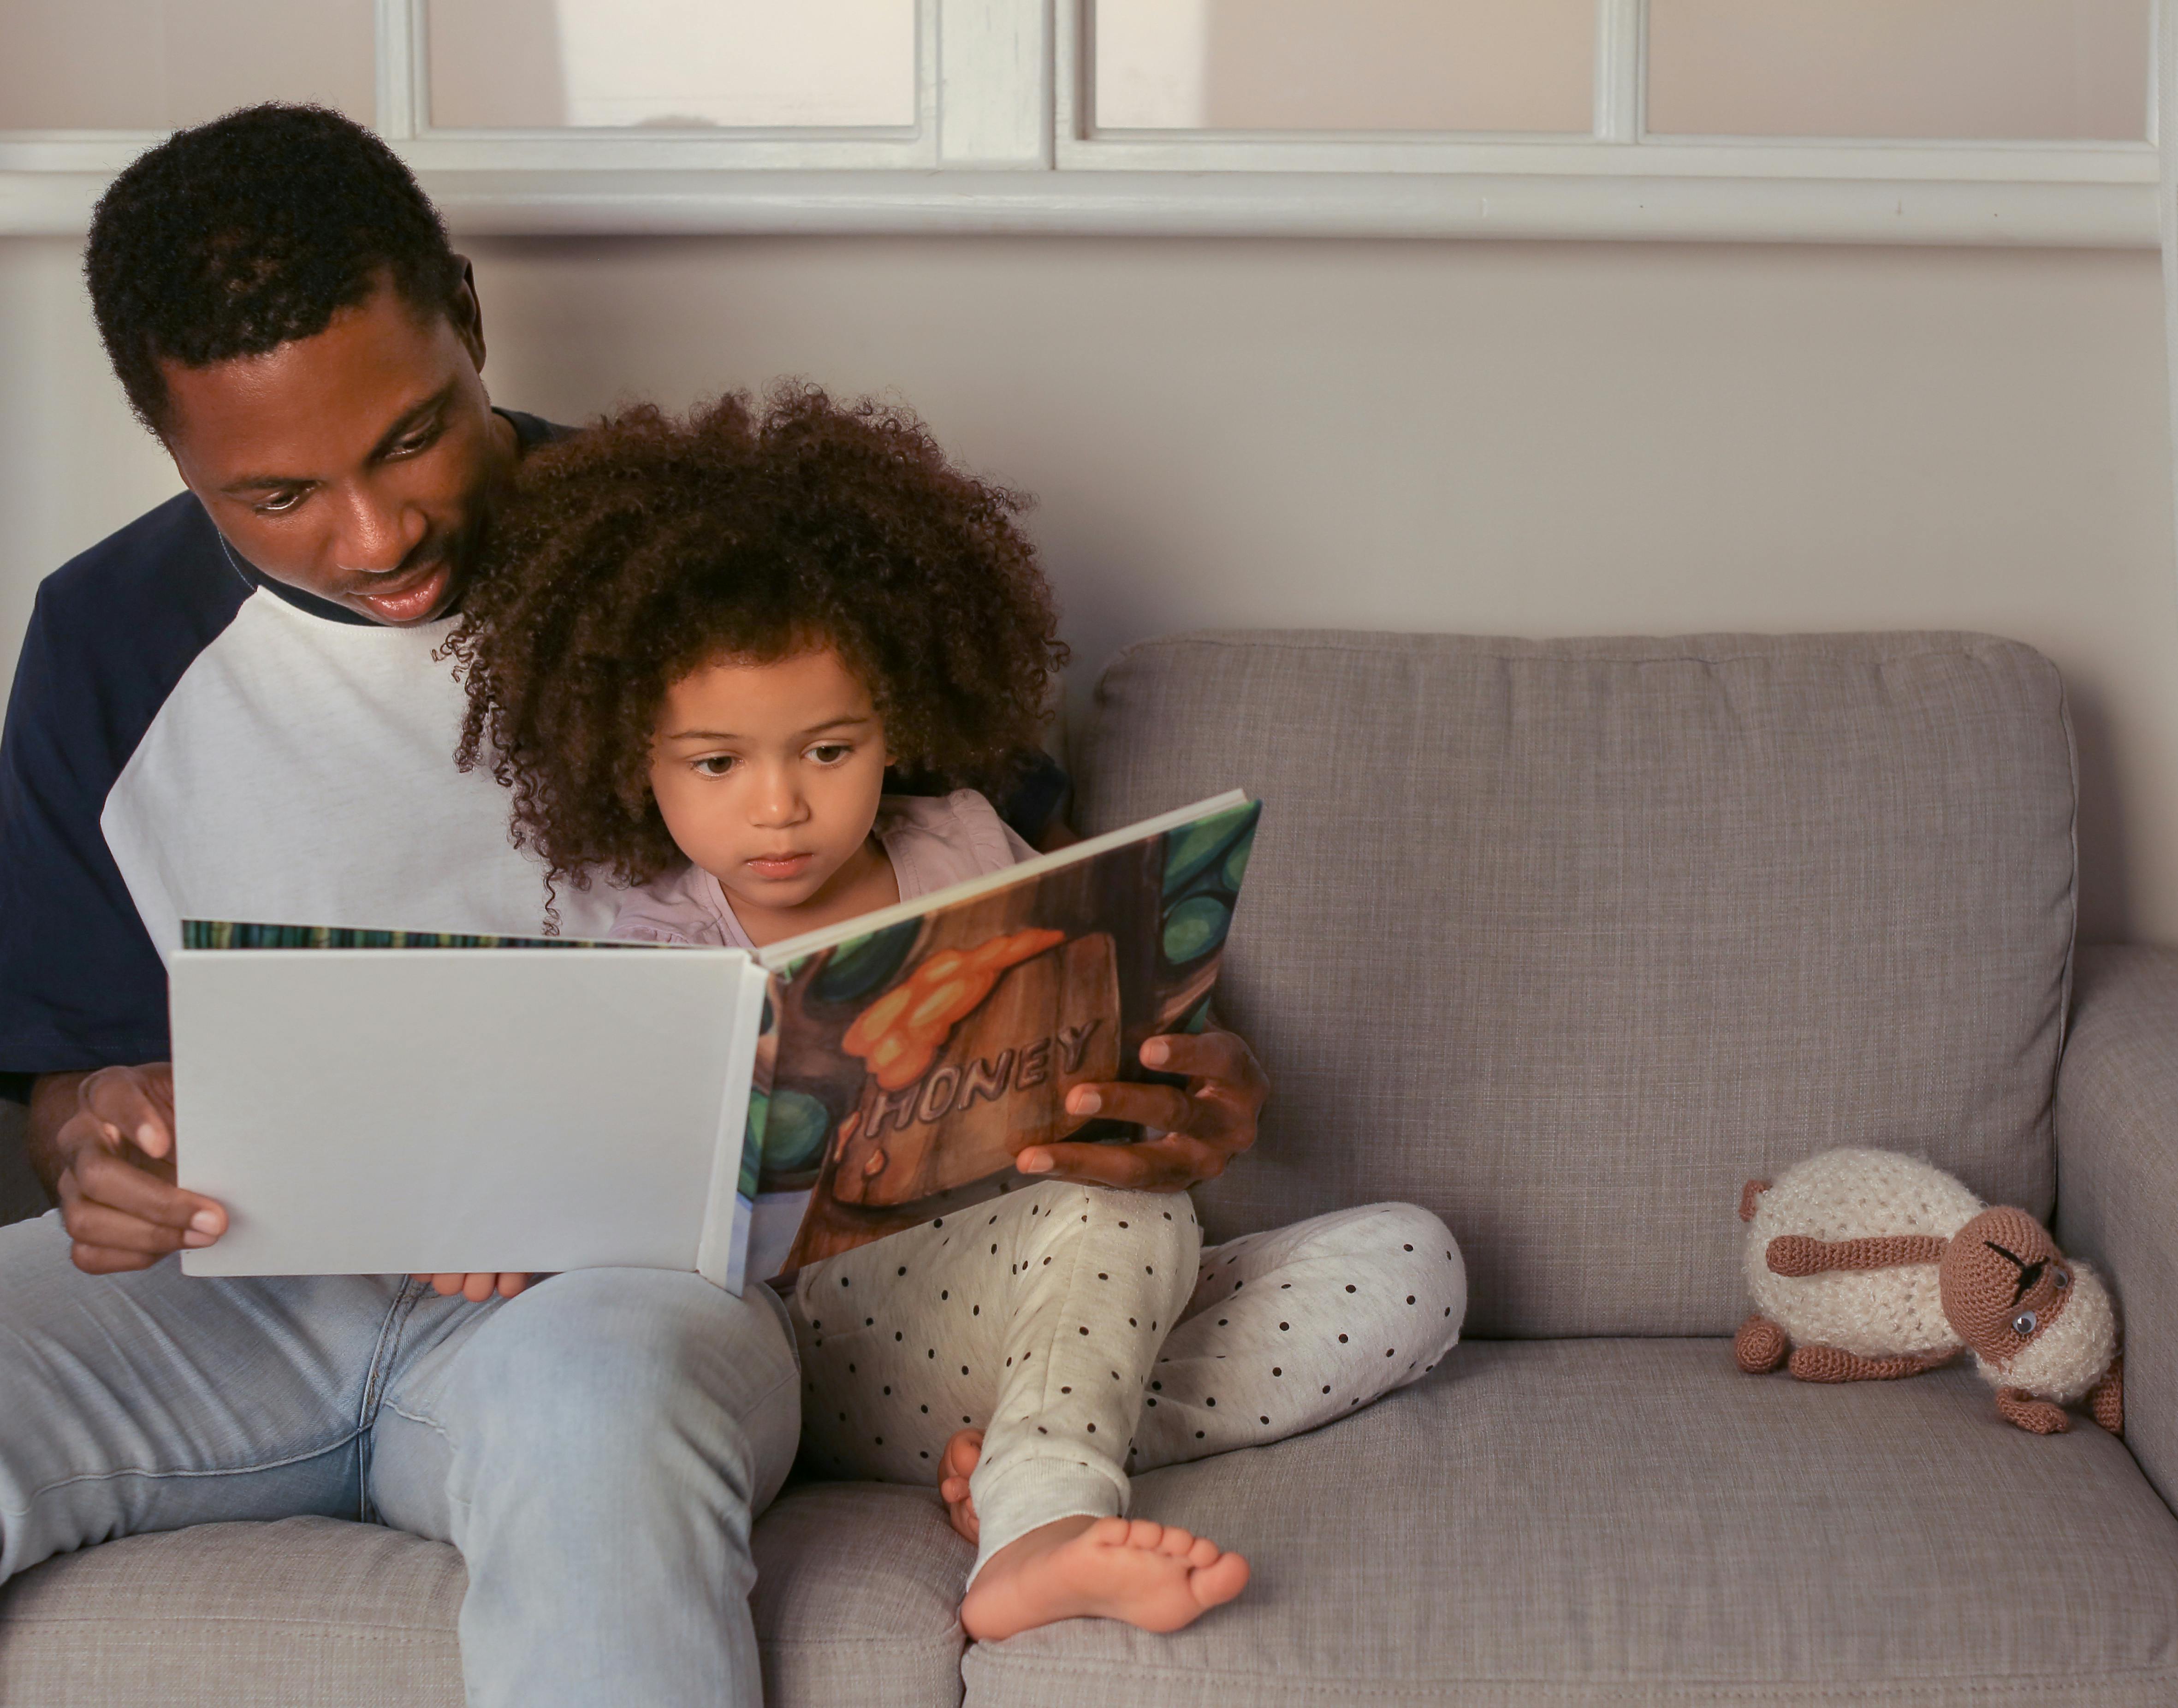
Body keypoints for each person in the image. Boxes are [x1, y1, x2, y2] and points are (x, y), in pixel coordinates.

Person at [0, 104, 1460, 1705]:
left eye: (412, 438)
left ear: (468, 316)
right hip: (245, 1292)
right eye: (276, 495)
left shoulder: (710, 568)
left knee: (598, 1413)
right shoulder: (104, 644)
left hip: (620, 1308)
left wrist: (1168, 1085)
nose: (377, 534)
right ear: (172, 447)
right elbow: (72, 1080)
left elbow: (1031, 926)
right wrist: (94, 1142)